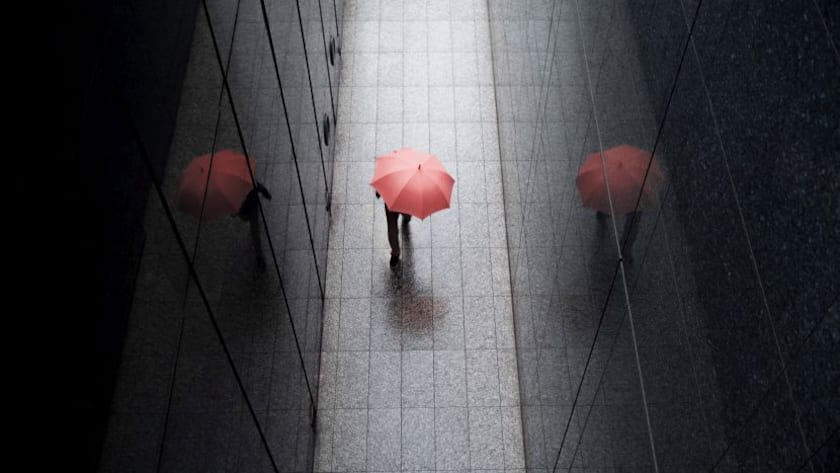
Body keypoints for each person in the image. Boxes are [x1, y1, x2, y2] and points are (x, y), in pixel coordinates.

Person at [237, 182, 272, 271]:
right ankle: (259, 256)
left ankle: (259, 256)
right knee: (253, 227)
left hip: (250, 207)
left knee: (255, 232)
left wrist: (264, 192)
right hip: (245, 209)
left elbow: (255, 184)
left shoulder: (245, 179)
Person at [376, 191, 410, 267]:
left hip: (391, 199)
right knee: (407, 210)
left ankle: (395, 253)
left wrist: (378, 192)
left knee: (392, 226)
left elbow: (383, 181)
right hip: (407, 198)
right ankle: (407, 217)